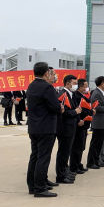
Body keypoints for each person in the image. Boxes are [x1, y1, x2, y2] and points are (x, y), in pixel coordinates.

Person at [26, 62, 62, 197]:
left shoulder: (31, 85)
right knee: (43, 157)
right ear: (46, 73)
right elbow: (55, 107)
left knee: (35, 156)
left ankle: (33, 185)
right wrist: (60, 108)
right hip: (46, 127)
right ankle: (40, 188)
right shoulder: (47, 87)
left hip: (34, 127)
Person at [55, 75, 82, 184]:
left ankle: (65, 171)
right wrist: (75, 112)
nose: (76, 85)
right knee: (63, 152)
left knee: (66, 152)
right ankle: (60, 175)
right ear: (67, 83)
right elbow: (63, 112)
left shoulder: (70, 94)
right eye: (74, 83)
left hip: (71, 127)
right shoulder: (63, 94)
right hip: (65, 128)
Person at [87, 76, 104, 169]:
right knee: (95, 143)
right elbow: (96, 107)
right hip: (99, 122)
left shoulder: (101, 93)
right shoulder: (96, 93)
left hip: (103, 122)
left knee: (99, 143)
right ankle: (91, 162)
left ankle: (96, 160)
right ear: (102, 83)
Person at [69, 78, 91, 174]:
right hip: (79, 124)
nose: (87, 88)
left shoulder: (84, 96)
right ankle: (74, 166)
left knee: (81, 146)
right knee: (77, 147)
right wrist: (79, 120)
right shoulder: (76, 96)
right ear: (81, 87)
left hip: (85, 124)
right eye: (85, 86)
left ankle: (78, 163)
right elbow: (77, 109)